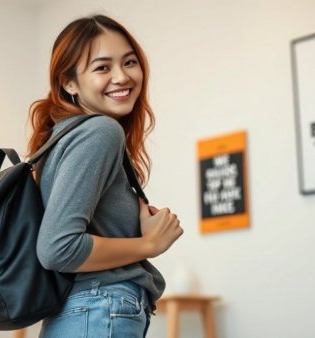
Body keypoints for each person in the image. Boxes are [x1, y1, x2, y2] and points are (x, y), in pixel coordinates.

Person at [27, 14, 183, 338]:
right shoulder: (101, 131)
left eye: (129, 62)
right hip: (99, 311)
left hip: (82, 314)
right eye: (102, 67)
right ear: (69, 82)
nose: (122, 76)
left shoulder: (64, 136)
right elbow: (58, 248)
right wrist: (149, 243)